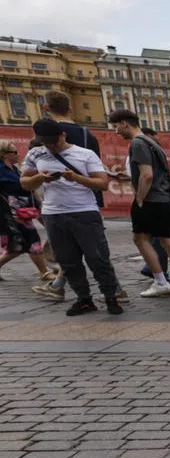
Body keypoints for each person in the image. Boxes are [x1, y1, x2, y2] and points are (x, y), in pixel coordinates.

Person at [20, 119, 123, 316]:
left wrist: (75, 178)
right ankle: (84, 299)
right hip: (53, 214)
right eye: (46, 142)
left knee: (98, 258)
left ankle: (111, 296)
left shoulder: (84, 154)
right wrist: (40, 178)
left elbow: (102, 183)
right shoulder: (36, 153)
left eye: (54, 141)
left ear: (63, 135)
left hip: (84, 212)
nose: (51, 146)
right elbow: (25, 183)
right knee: (68, 260)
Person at [109, 109, 170, 297]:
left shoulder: (137, 143)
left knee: (140, 238)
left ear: (124, 123)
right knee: (168, 240)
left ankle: (160, 281)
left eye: (116, 126)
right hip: (165, 198)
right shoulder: (152, 143)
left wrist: (139, 198)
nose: (116, 131)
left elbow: (147, 175)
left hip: (151, 199)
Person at [0, 140, 52, 281]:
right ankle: (45, 272)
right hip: (9, 213)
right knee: (31, 240)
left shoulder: (15, 169)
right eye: (14, 152)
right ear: (5, 154)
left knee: (18, 246)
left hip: (23, 210)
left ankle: (45, 271)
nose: (18, 154)